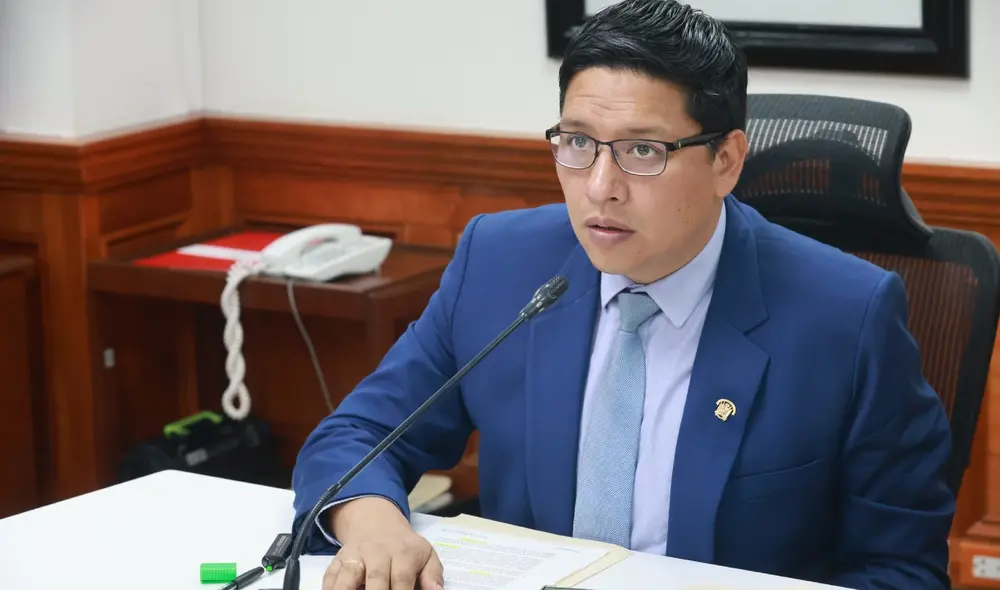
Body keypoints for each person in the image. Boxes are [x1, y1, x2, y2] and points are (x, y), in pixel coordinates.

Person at [291, 1, 955, 588]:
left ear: (726, 160)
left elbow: (902, 569)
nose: (600, 186)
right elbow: (362, 432)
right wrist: (373, 525)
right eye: (578, 143)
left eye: (643, 150)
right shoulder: (500, 264)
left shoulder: (846, 317)